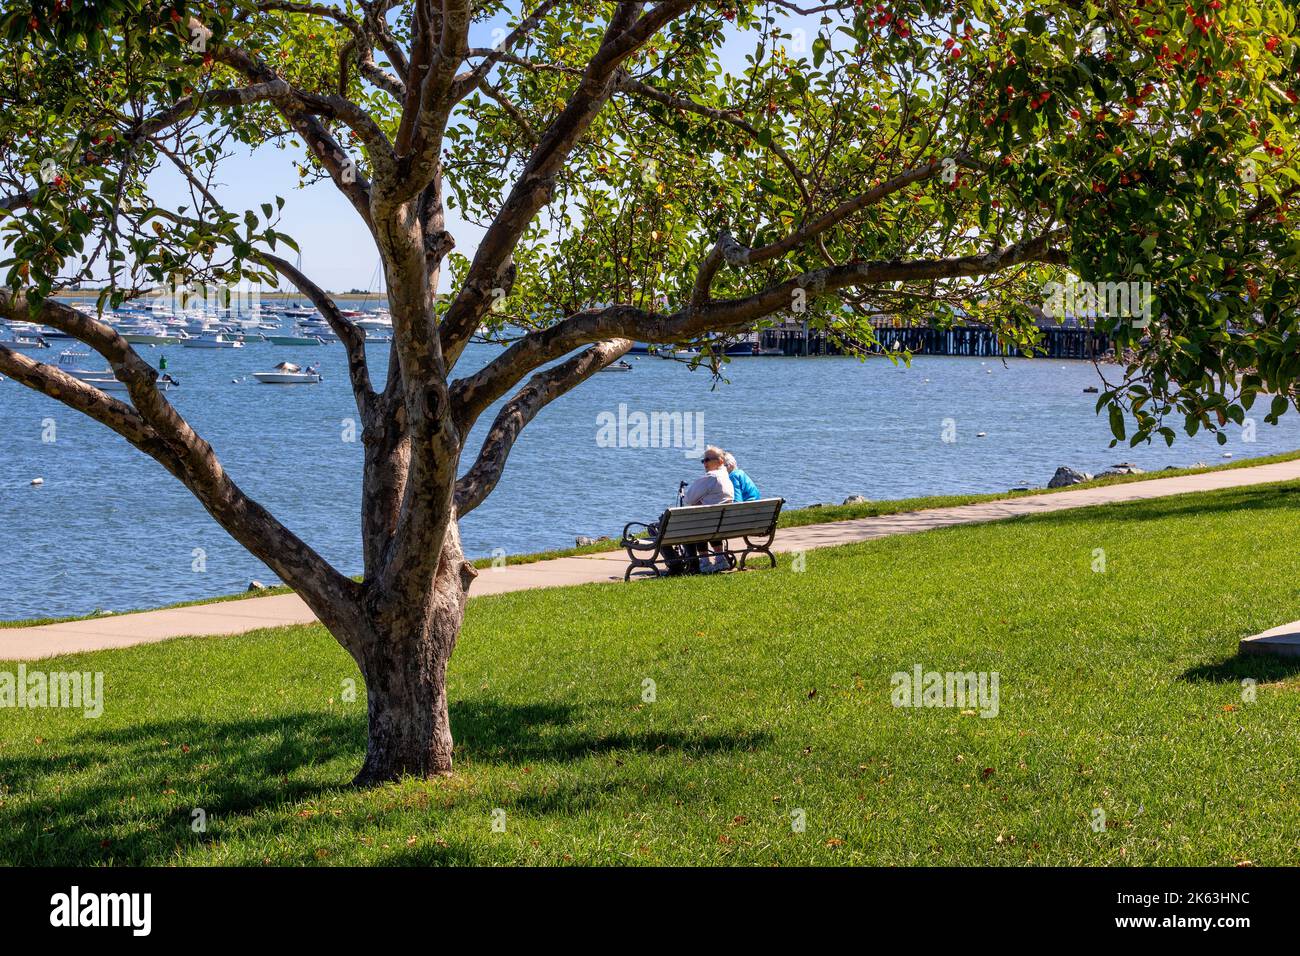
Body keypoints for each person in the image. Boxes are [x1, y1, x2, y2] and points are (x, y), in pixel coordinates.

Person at [679, 446, 733, 574]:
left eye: (708, 459)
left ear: (720, 461)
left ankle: (703, 562)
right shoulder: (727, 478)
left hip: (704, 524)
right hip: (720, 524)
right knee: (710, 518)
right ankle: (720, 559)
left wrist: (698, 502)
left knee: (696, 522)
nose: (704, 463)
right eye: (703, 460)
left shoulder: (711, 477)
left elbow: (688, 499)